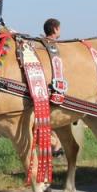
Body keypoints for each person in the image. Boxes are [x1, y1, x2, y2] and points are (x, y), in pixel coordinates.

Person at [42, 18, 64, 157]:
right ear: (55, 29)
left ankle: (56, 146)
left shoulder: (42, 45)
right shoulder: (58, 48)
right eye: (59, 28)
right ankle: (56, 146)